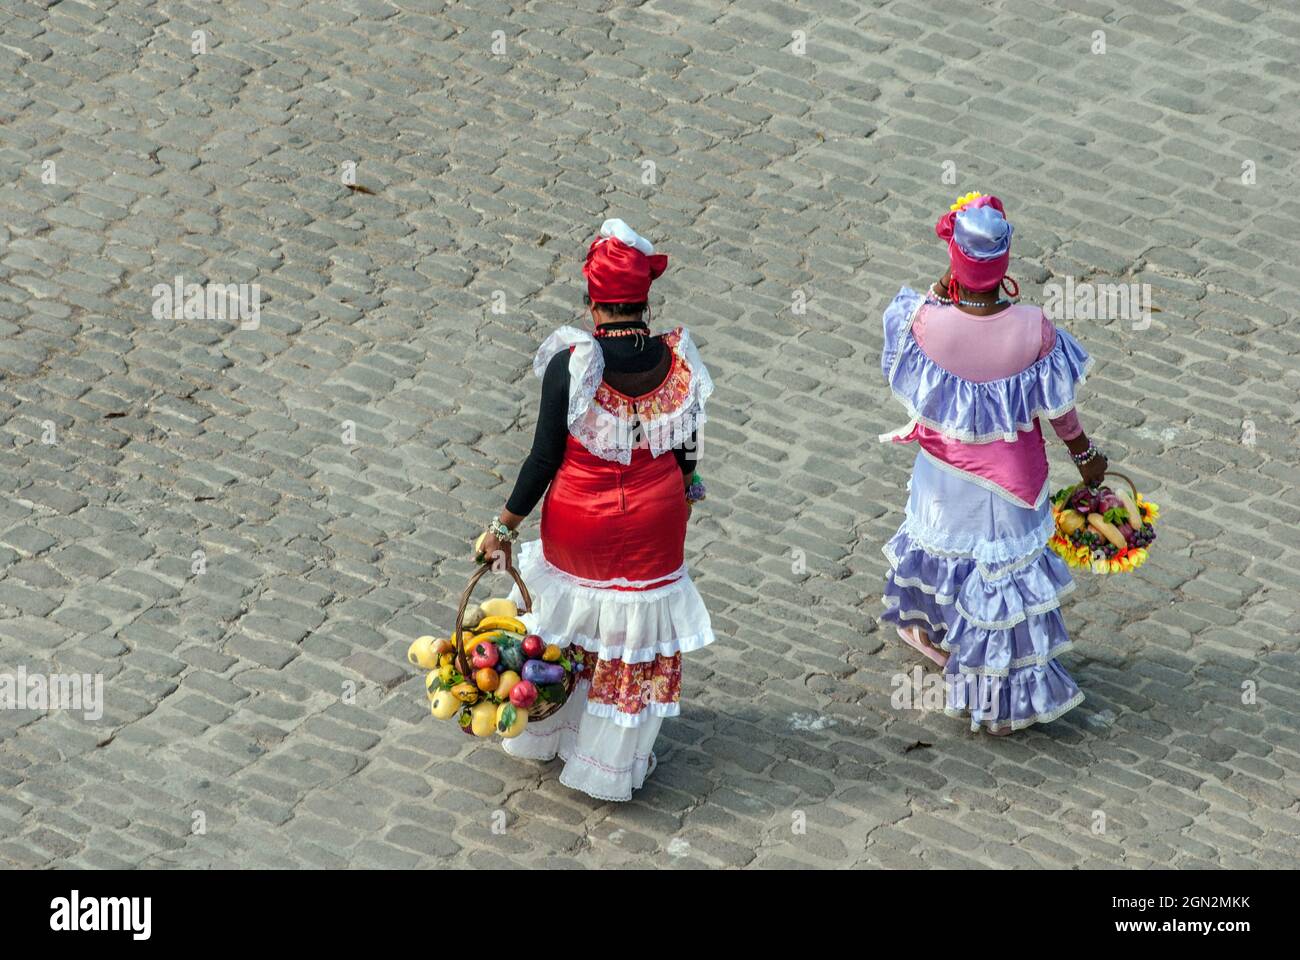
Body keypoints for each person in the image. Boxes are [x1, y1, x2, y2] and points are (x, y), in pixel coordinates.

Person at [475, 218, 715, 800]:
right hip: (657, 520)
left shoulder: (573, 364)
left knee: (575, 626)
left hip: (580, 521)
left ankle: (555, 728)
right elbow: (687, 442)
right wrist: (686, 487)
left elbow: (542, 458)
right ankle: (611, 762)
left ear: (593, 305)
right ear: (644, 302)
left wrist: (501, 527)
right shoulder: (677, 361)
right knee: (631, 641)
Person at [879, 192, 1106, 735]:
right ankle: (1004, 696)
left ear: (955, 263)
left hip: (945, 478)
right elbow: (1061, 413)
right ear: (1006, 265)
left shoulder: (926, 325)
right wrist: (1087, 457)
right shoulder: (1034, 328)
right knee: (1003, 583)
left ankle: (936, 637)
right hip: (1014, 486)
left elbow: (906, 313)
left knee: (945, 558)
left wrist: (945, 281)